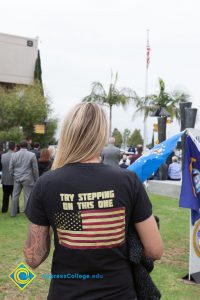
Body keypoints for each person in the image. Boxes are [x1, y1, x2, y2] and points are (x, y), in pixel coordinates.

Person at [24, 103, 163, 300]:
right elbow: (155, 250)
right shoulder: (128, 181)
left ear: (67, 134)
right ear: (101, 135)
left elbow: (33, 257)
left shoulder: (46, 184)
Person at [9, 140, 39, 217]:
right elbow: (35, 169)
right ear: (27, 146)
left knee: (15, 196)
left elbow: (10, 168)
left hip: (17, 178)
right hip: (28, 178)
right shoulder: (32, 155)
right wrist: (37, 179)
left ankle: (13, 213)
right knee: (28, 196)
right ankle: (27, 213)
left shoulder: (14, 155)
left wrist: (13, 175)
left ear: (20, 146)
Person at [1, 141, 17, 213]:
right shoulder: (16, 155)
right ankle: (16, 209)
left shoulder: (3, 156)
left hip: (5, 178)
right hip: (14, 178)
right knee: (14, 195)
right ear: (14, 147)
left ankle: (4, 209)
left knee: (5, 195)